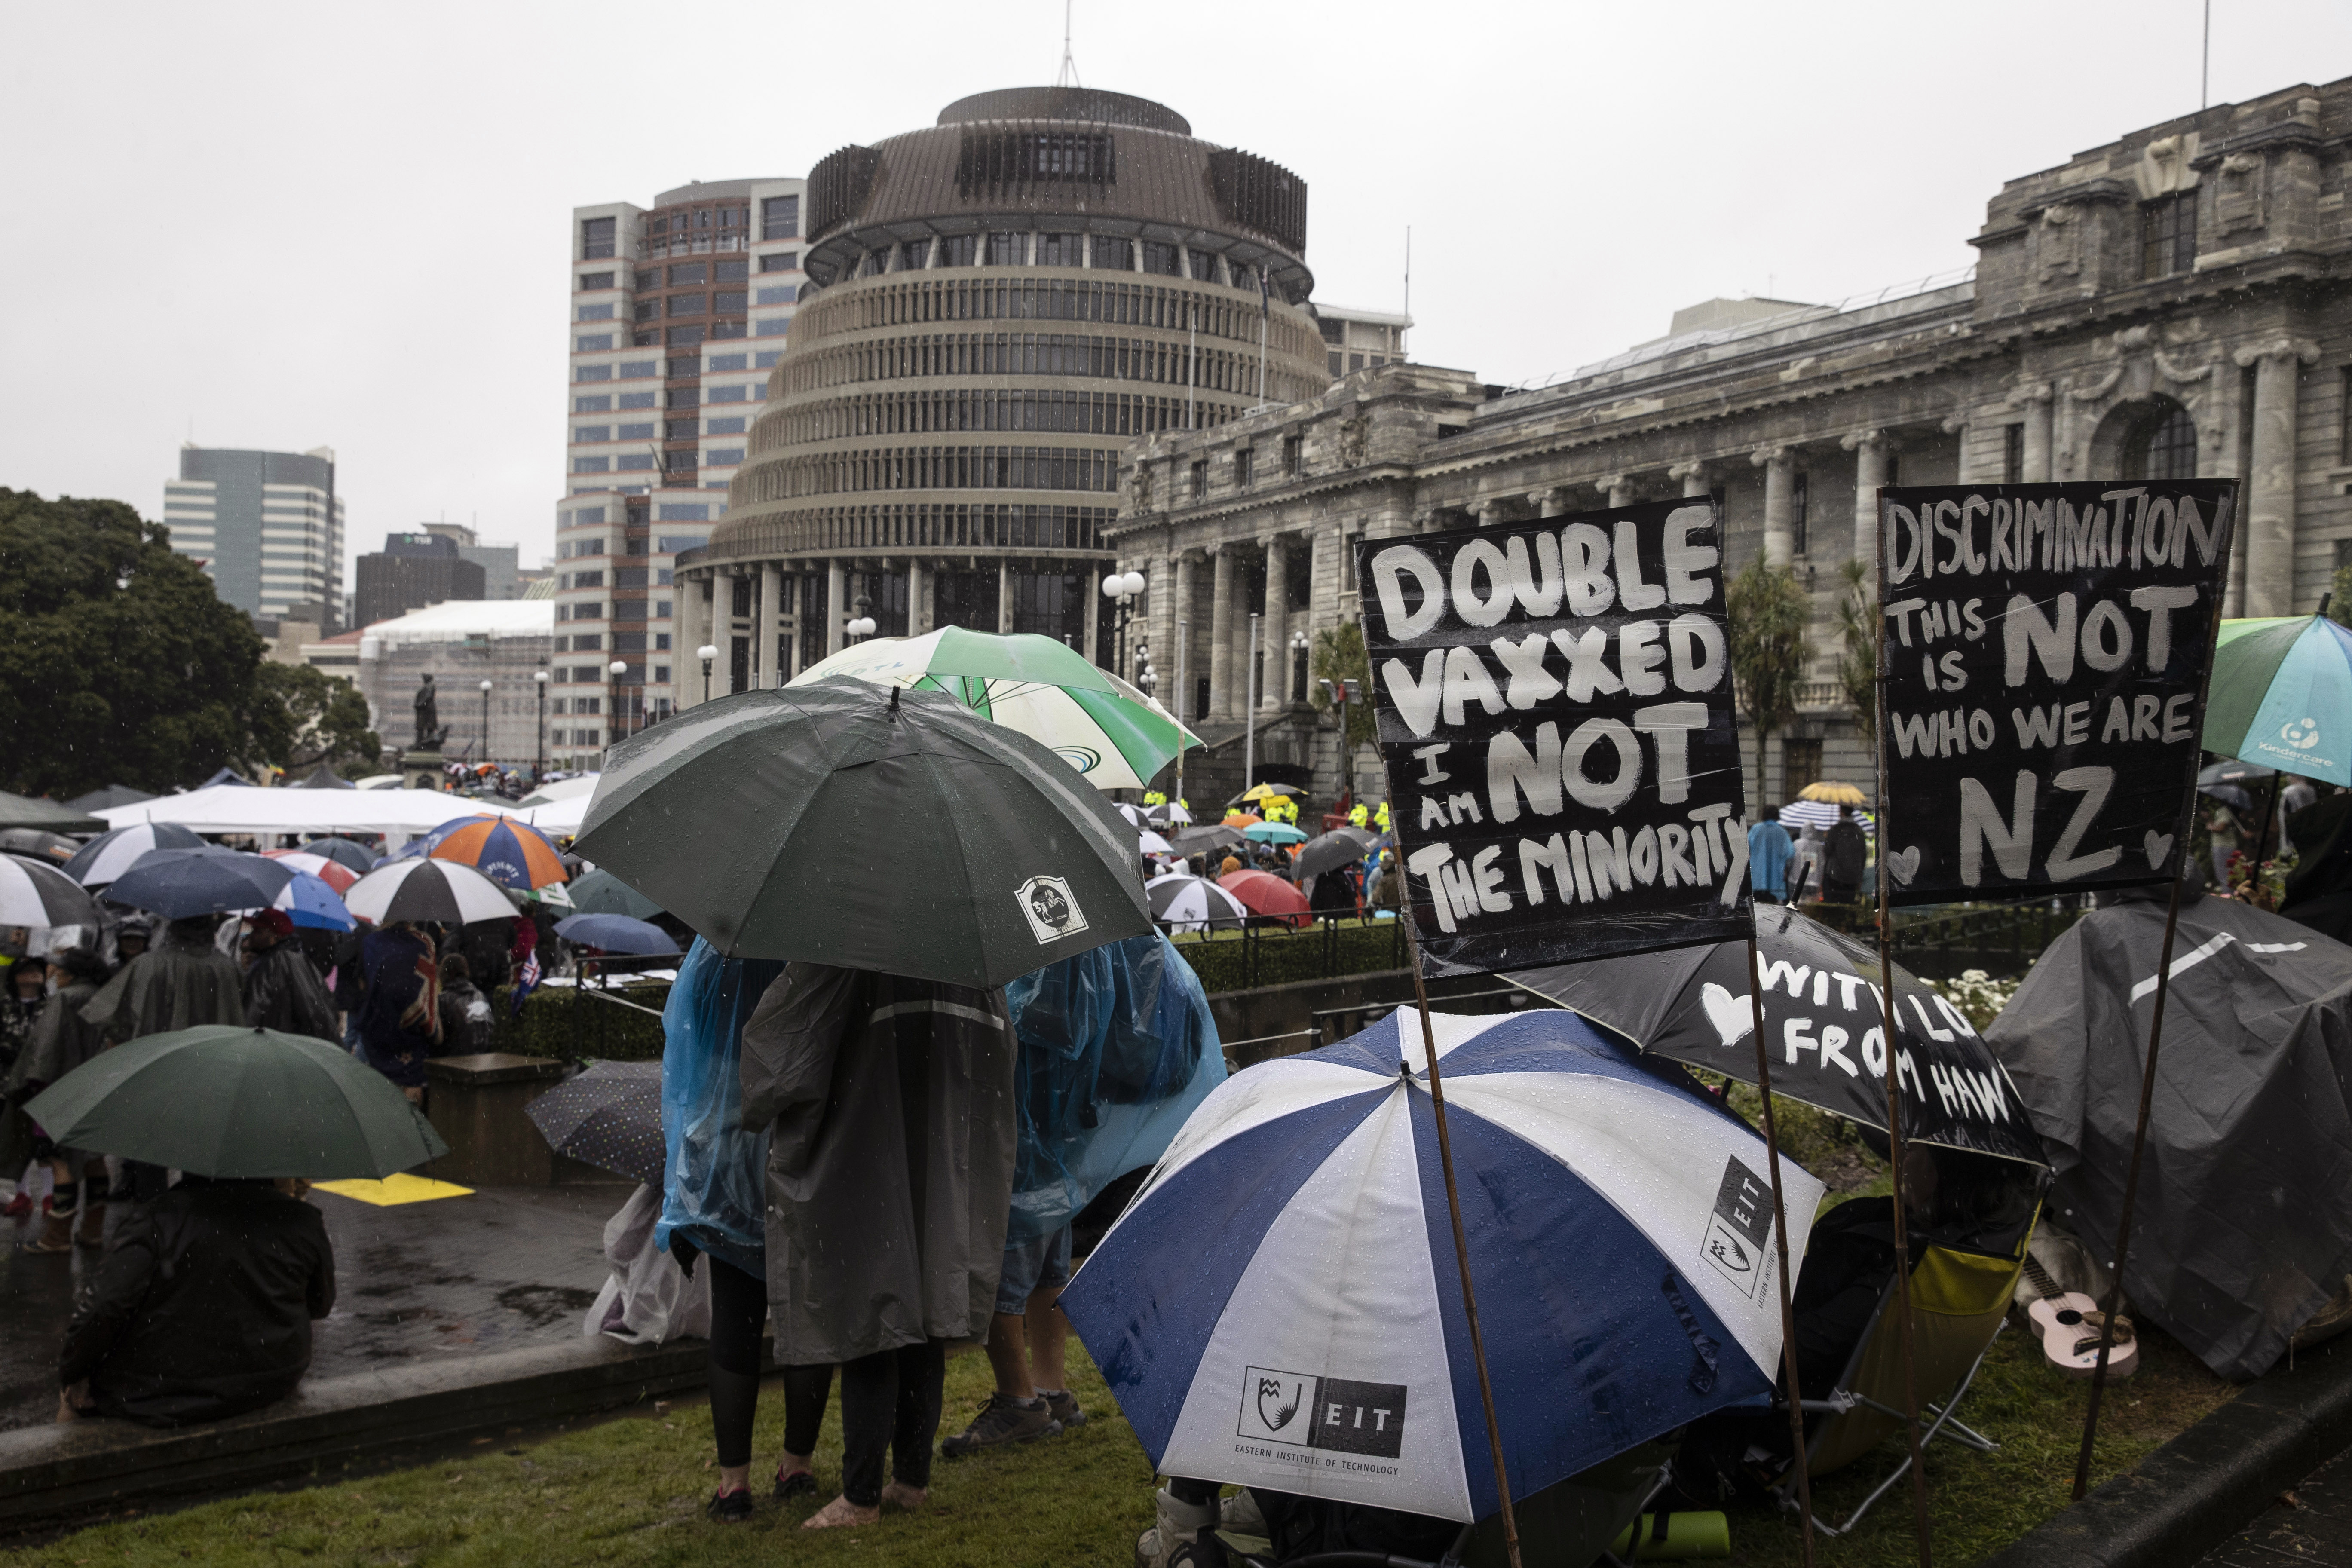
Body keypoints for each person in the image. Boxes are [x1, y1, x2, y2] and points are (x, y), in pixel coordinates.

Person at [739, 963, 1017, 1531]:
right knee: (926, 1316)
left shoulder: (841, 954)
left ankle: (861, 1495)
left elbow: (774, 1066)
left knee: (871, 1314)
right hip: (944, 1151)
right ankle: (910, 1479)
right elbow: (1002, 1055)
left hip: (862, 1149)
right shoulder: (970, 962)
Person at [655, 940, 834, 1524]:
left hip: (727, 1144)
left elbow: (685, 1054)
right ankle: (797, 1467)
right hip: (804, 1142)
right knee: (809, 1313)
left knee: (735, 1313)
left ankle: (734, 1485)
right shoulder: (824, 944)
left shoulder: (717, 950)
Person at [58, 1174, 334, 1426]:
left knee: (72, 1398)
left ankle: (62, 1469)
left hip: (161, 1394)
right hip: (271, 1380)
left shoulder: (156, 1219)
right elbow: (321, 1304)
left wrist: (74, 1371)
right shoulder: (302, 1218)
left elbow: (104, 1309)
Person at [83, 913, 247, 1206]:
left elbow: (115, 1018)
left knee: (151, 1143)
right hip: (211, 1071)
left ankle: (152, 1214)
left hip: (155, 1069)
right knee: (201, 1143)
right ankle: (196, 1211)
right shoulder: (227, 968)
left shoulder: (148, 965)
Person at [7, 947, 114, 1252]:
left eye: (59, 970)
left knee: (59, 1159)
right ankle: (93, 1230)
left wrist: (31, 1084)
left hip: (63, 1089)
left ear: (70, 973)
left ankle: (57, 1235)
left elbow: (45, 1048)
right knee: (95, 1160)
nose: (54, 975)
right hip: (98, 1088)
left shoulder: (65, 999)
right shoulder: (105, 996)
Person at [354, 920, 444, 1104]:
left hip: (377, 1027)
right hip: (412, 1028)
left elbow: (362, 983)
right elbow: (429, 991)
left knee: (379, 1097)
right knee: (412, 1100)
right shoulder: (424, 942)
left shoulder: (371, 942)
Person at [242, 910, 338, 1041]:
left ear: (274, 936)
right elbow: (325, 1001)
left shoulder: (268, 965)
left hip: (270, 1043)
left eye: (258, 931)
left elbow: (251, 1014)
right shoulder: (300, 958)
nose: (252, 936)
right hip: (298, 1042)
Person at [435, 954, 495, 1054]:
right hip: (485, 1058)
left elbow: (437, 1038)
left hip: (458, 1061)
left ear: (444, 973)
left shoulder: (443, 1000)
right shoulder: (479, 995)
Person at [1822, 805, 1868, 904]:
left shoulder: (1836, 830)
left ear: (1842, 812)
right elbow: (1863, 855)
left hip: (1835, 876)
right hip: (1853, 877)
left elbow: (1827, 851)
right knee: (1848, 906)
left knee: (1833, 906)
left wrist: (1827, 838)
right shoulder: (1859, 831)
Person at [1748, 806, 1793, 904]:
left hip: (1757, 876)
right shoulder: (1782, 832)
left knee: (1756, 907)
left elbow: (1746, 848)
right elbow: (1789, 852)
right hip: (1775, 877)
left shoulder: (1756, 829)